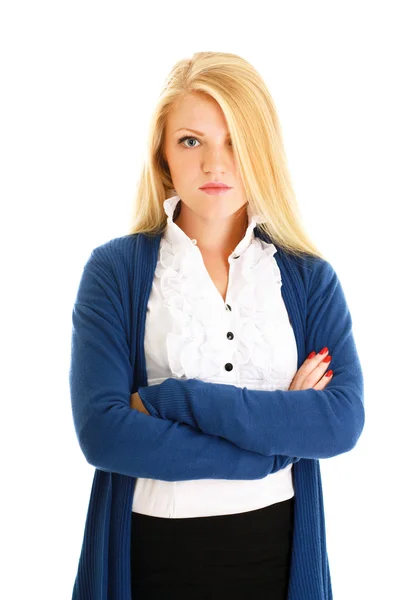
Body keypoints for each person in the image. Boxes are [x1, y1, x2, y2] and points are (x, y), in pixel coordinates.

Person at [69, 52, 365, 599]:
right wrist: (277, 447)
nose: (215, 164)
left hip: (277, 563)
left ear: (262, 150)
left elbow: (339, 422)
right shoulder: (114, 272)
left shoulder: (307, 278)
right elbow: (104, 434)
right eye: (191, 140)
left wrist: (171, 401)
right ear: (161, 153)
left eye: (234, 140)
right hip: (150, 561)